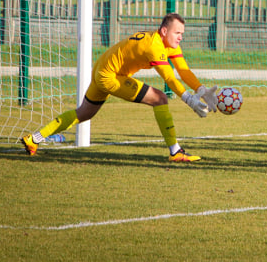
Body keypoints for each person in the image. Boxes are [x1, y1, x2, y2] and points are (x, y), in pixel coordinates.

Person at [20, 13, 217, 163]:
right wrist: (188, 99)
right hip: (110, 76)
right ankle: (175, 152)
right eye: (177, 33)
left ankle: (34, 138)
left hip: (101, 68)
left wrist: (200, 89)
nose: (180, 37)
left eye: (182, 33)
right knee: (160, 98)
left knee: (84, 113)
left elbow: (182, 70)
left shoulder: (169, 44)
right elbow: (169, 77)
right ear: (164, 31)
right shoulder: (154, 46)